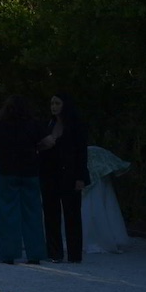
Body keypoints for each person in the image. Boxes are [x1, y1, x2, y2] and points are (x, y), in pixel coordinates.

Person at [0, 95, 49, 265]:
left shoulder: (2, 125)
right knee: (33, 213)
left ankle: (9, 254)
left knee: (7, 213)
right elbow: (48, 142)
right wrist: (36, 147)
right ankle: (35, 253)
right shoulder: (34, 124)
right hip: (30, 172)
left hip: (7, 172)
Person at [39, 93, 89, 263]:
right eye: (52, 103)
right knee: (51, 214)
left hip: (70, 174)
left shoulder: (76, 125)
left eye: (57, 103)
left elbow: (81, 152)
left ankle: (74, 254)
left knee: (72, 214)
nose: (53, 107)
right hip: (49, 174)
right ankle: (54, 252)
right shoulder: (48, 124)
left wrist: (80, 177)